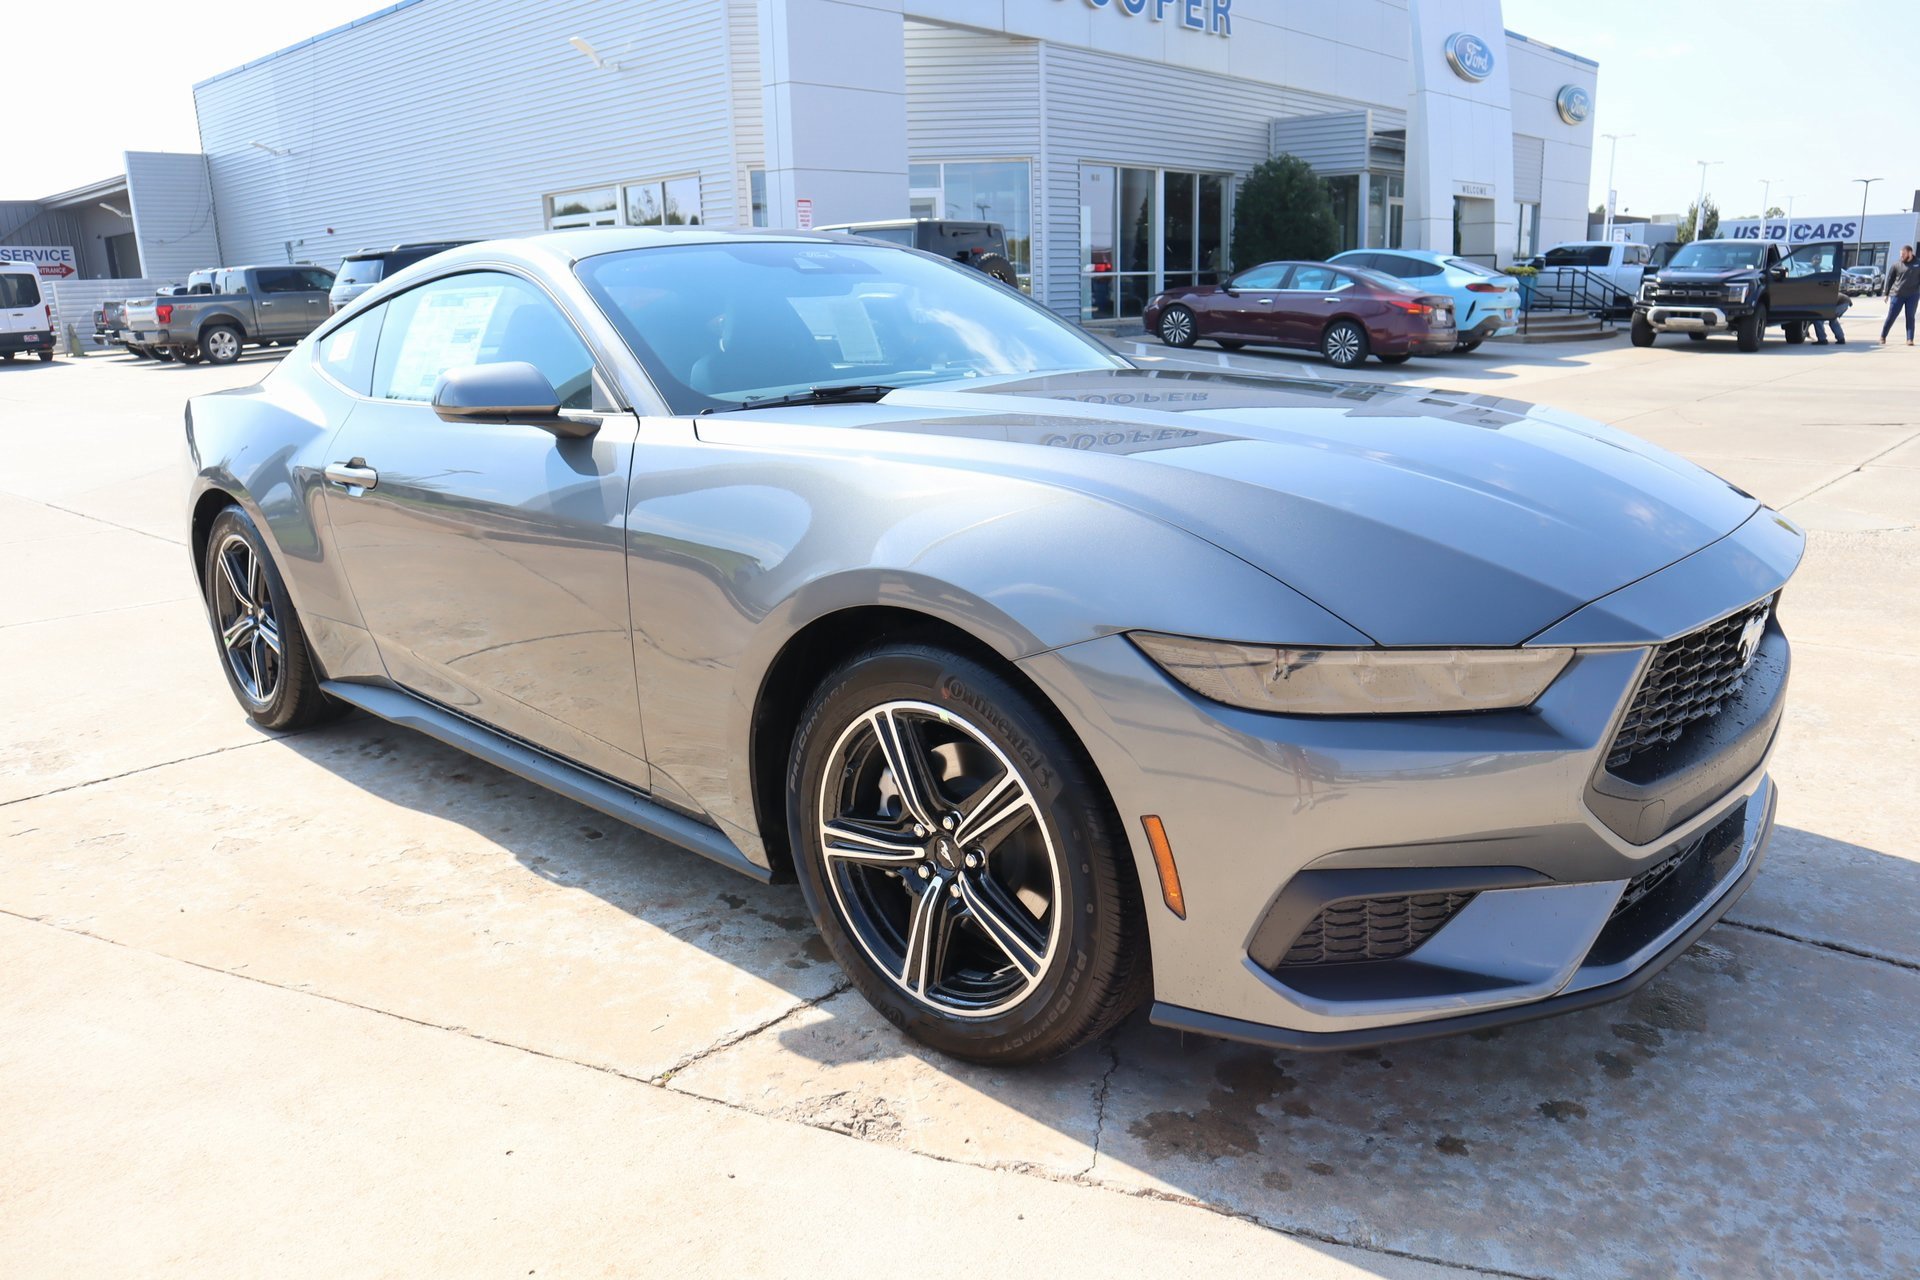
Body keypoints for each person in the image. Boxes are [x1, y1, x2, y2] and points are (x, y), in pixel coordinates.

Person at [1883, 245, 1919, 345]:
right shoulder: (1896, 265)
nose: (1902, 256)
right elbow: (1890, 279)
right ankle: (1883, 336)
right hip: (1897, 294)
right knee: (1891, 316)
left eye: (1904, 254)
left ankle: (1910, 339)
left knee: (1910, 316)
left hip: (1913, 295)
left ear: (1910, 253)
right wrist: (1886, 294)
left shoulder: (1918, 264)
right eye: (1901, 254)